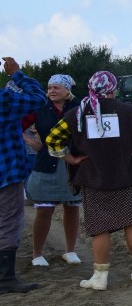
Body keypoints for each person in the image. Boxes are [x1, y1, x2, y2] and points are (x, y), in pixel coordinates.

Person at [44, 71, 132, 291]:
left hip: (94, 180)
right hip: (126, 177)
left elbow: (52, 140)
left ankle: (100, 279)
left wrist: (71, 159)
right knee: (131, 223)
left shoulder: (75, 115)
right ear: (112, 89)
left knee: (100, 229)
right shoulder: (130, 111)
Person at [22, 74, 82, 267]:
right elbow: (17, 124)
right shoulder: (39, 108)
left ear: (67, 91)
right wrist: (32, 142)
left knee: (72, 208)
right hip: (47, 164)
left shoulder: (78, 107)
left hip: (72, 165)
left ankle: (70, 251)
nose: (52, 91)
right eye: (49, 87)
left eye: (56, 87)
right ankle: (37, 254)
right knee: (45, 209)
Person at [0, 56, 47, 294]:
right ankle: (5, 278)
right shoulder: (4, 98)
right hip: (5, 171)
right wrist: (17, 74)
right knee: (8, 222)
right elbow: (38, 99)